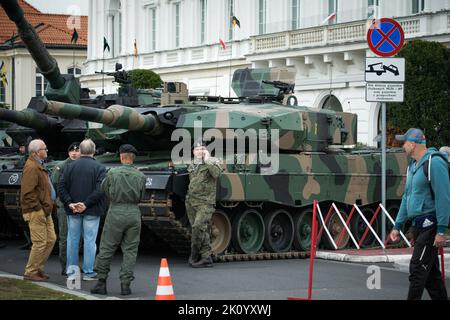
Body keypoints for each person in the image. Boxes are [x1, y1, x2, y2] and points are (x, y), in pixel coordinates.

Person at [390, 128, 449, 300]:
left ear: (413, 144)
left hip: (430, 226)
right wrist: (397, 225)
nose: (402, 146)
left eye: (404, 142)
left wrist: (442, 230)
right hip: (418, 226)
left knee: (417, 269)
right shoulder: (412, 166)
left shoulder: (434, 163)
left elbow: (444, 197)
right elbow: (406, 197)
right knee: (431, 277)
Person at [91, 144, 146, 296]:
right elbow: (141, 196)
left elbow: (104, 190)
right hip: (134, 212)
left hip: (116, 211)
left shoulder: (112, 173)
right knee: (130, 250)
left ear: (121, 156)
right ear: (133, 158)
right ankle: (125, 285)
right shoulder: (140, 176)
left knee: (107, 247)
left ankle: (101, 282)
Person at [59, 139, 106, 280]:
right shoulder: (99, 168)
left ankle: (72, 272)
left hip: (73, 209)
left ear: (80, 150)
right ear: (94, 150)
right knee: (90, 240)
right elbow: (100, 190)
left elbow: (61, 187)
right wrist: (86, 204)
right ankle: (88, 271)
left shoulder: (69, 167)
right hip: (91, 209)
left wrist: (70, 203)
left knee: (72, 239)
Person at [20, 139, 57, 281]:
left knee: (51, 239)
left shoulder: (38, 165)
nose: (47, 151)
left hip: (44, 210)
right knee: (40, 242)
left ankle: (38, 268)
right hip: (37, 211)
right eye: (44, 149)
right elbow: (28, 193)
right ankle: (30, 272)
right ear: (36, 152)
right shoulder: (31, 167)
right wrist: (38, 209)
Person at [186, 139, 223, 268]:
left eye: (202, 148)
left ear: (206, 150)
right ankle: (206, 257)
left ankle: (194, 254)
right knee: (201, 229)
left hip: (205, 202)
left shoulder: (213, 161)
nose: (200, 151)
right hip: (191, 201)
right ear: (193, 152)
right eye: (197, 149)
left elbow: (217, 174)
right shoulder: (192, 164)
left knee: (197, 227)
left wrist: (207, 160)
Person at [51, 142, 80, 275]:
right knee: (65, 237)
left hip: (79, 205)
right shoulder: (61, 166)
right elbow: (55, 184)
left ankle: (73, 264)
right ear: (68, 153)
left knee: (78, 237)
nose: (74, 153)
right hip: (63, 205)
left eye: (77, 151)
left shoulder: (82, 165)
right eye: (72, 151)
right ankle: (64, 265)